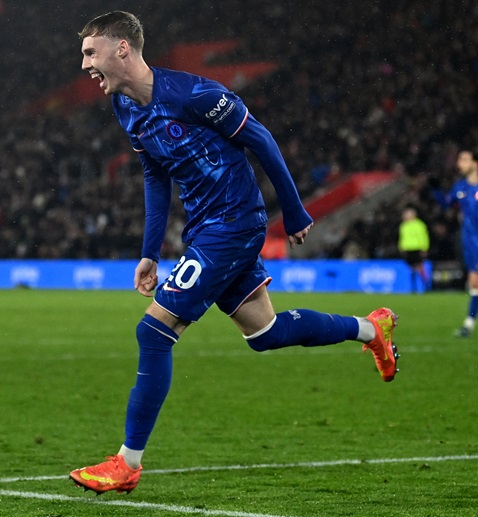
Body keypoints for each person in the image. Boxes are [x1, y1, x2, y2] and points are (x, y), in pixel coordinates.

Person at [69, 11, 401, 496]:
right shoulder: (126, 107)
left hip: (234, 222)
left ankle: (127, 463)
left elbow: (259, 139)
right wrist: (150, 252)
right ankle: (373, 329)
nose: (84, 65)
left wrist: (294, 210)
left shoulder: (194, 94)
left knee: (153, 332)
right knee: (265, 333)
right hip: (206, 228)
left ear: (122, 48)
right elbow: (155, 174)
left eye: (90, 53)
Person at [441, 149, 478, 337]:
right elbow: (447, 204)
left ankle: (468, 325)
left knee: (475, 282)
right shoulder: (460, 187)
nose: (459, 164)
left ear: (475, 163)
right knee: (474, 283)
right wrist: (435, 190)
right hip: (470, 241)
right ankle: (468, 325)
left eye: (464, 159)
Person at [398, 206, 430, 293]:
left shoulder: (420, 225)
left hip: (417, 248)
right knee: (411, 268)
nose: (406, 216)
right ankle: (413, 286)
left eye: (408, 214)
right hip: (408, 249)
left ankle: (426, 285)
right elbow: (402, 237)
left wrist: (425, 247)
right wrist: (401, 246)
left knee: (420, 267)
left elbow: (424, 237)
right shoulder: (403, 226)